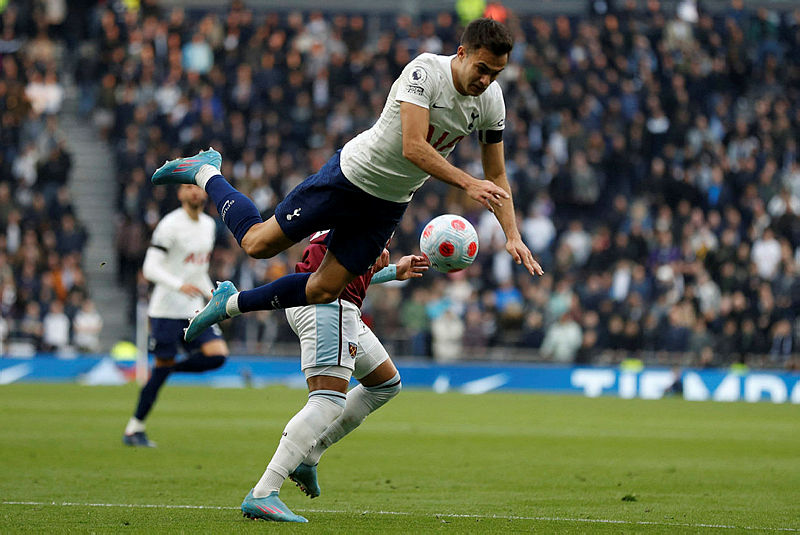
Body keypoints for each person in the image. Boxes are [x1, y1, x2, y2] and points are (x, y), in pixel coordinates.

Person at [149, 17, 543, 343]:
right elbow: (413, 147)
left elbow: (497, 175)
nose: (488, 80)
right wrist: (467, 184)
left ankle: (229, 303)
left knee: (324, 289)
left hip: (388, 204)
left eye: (496, 73)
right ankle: (206, 171)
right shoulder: (425, 72)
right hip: (350, 178)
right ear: (462, 54)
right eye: (483, 69)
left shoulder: (492, 101)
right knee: (257, 244)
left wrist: (511, 234)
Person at [241, 230, 428, 522]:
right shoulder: (373, 200)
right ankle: (264, 491)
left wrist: (392, 270)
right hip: (329, 301)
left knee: (385, 384)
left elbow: (346, 266)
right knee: (327, 402)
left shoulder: (371, 202)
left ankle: (310, 454)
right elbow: (337, 255)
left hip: (326, 295)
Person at [122, 183, 229, 447]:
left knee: (217, 355)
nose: (194, 191)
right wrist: (179, 285)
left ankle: (170, 369)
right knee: (159, 372)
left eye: (197, 187)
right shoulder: (169, 225)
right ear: (180, 194)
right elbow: (150, 268)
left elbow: (198, 270)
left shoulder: (208, 225)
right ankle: (134, 428)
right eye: (187, 187)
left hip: (192, 308)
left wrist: (212, 294)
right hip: (166, 309)